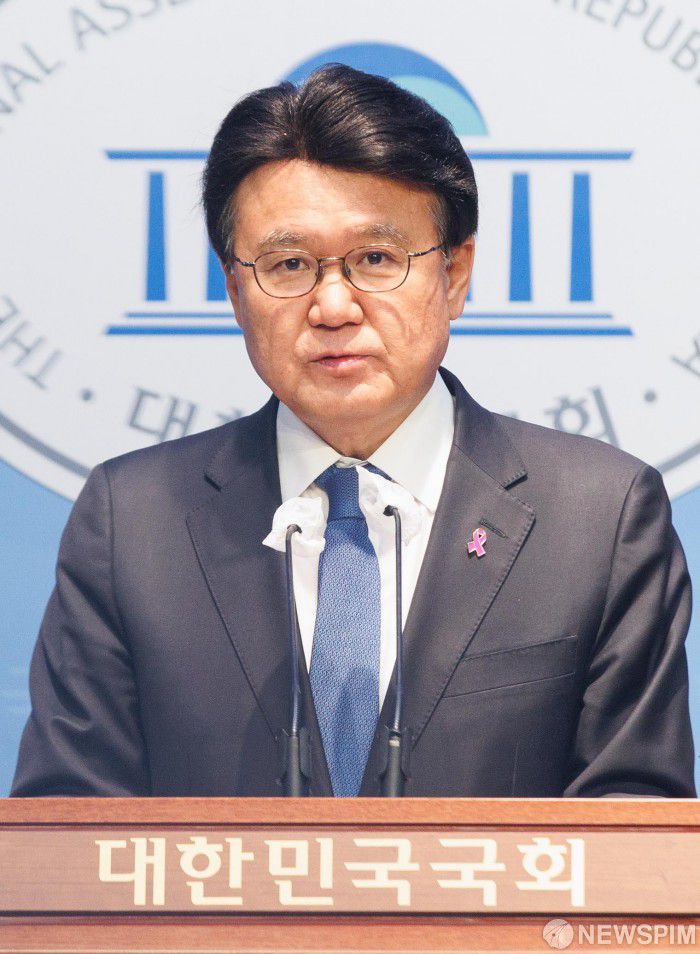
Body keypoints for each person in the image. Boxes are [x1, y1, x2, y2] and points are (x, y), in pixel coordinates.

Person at [11, 65, 695, 798]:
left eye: (376, 259)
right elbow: (66, 831)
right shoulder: (133, 524)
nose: (333, 307)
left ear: (455, 275)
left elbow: (635, 830)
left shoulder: (598, 519)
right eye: (288, 265)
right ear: (235, 291)